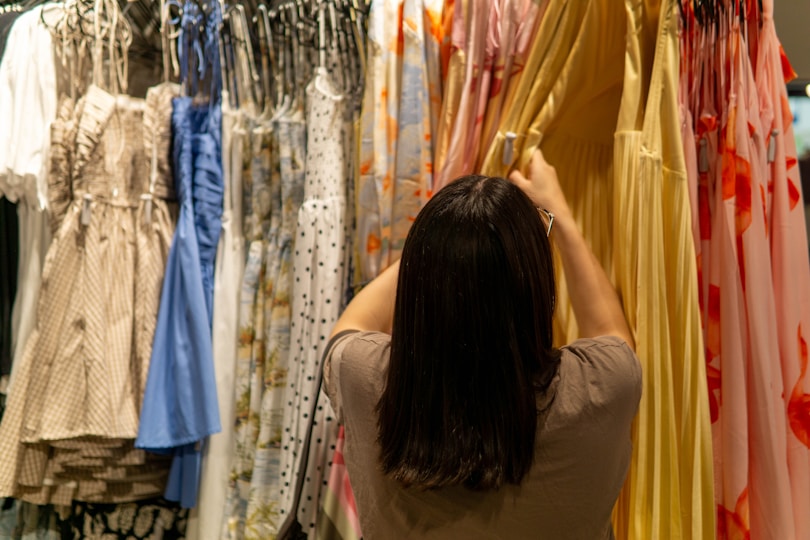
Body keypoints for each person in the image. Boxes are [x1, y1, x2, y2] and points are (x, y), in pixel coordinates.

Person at [324, 149, 641, 539]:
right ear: (536, 288)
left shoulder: (367, 381)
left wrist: (442, 243)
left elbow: (353, 323)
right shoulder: (596, 390)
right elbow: (611, 331)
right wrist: (559, 216)